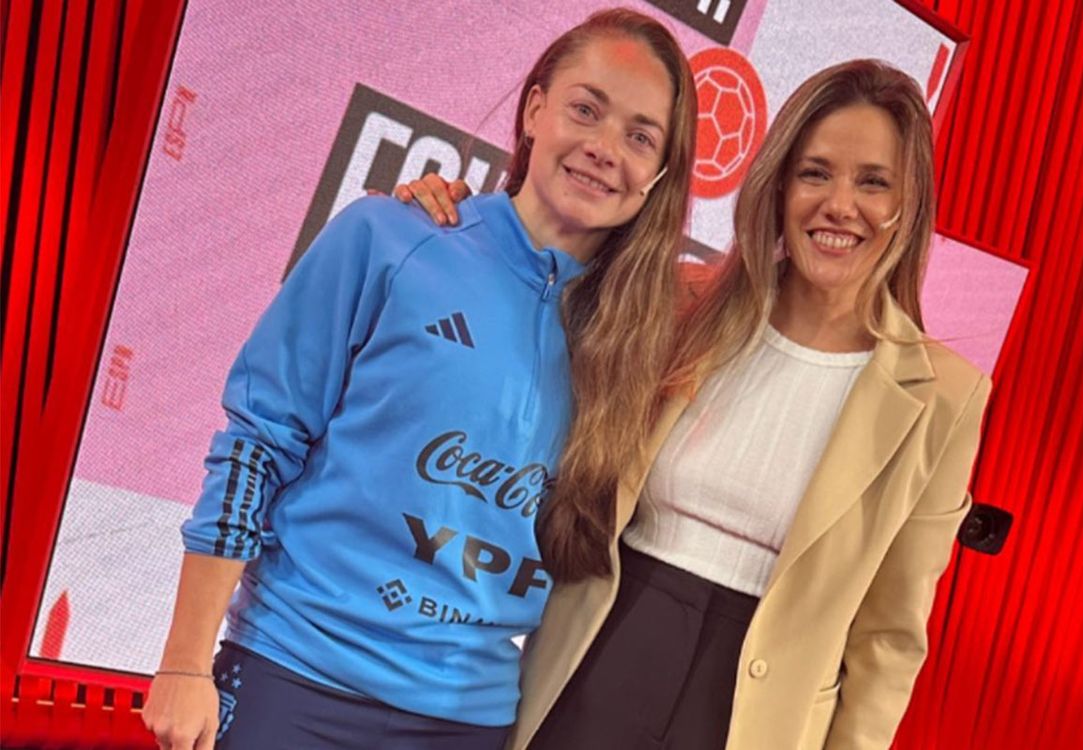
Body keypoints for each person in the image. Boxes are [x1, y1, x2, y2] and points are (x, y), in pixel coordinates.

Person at [141, 8, 697, 750]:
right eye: (585, 109)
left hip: (466, 722)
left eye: (639, 136)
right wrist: (183, 663)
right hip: (295, 676)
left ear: (660, 172)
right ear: (535, 107)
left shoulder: (643, 340)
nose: (604, 149)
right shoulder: (391, 238)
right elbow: (257, 443)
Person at [396, 59, 991, 750]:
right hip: (597, 656)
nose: (840, 205)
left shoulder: (944, 397)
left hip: (758, 718)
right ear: (777, 183)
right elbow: (525, 306)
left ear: (907, 204)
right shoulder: (679, 303)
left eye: (874, 182)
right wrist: (449, 226)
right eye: (815, 172)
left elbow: (889, 639)